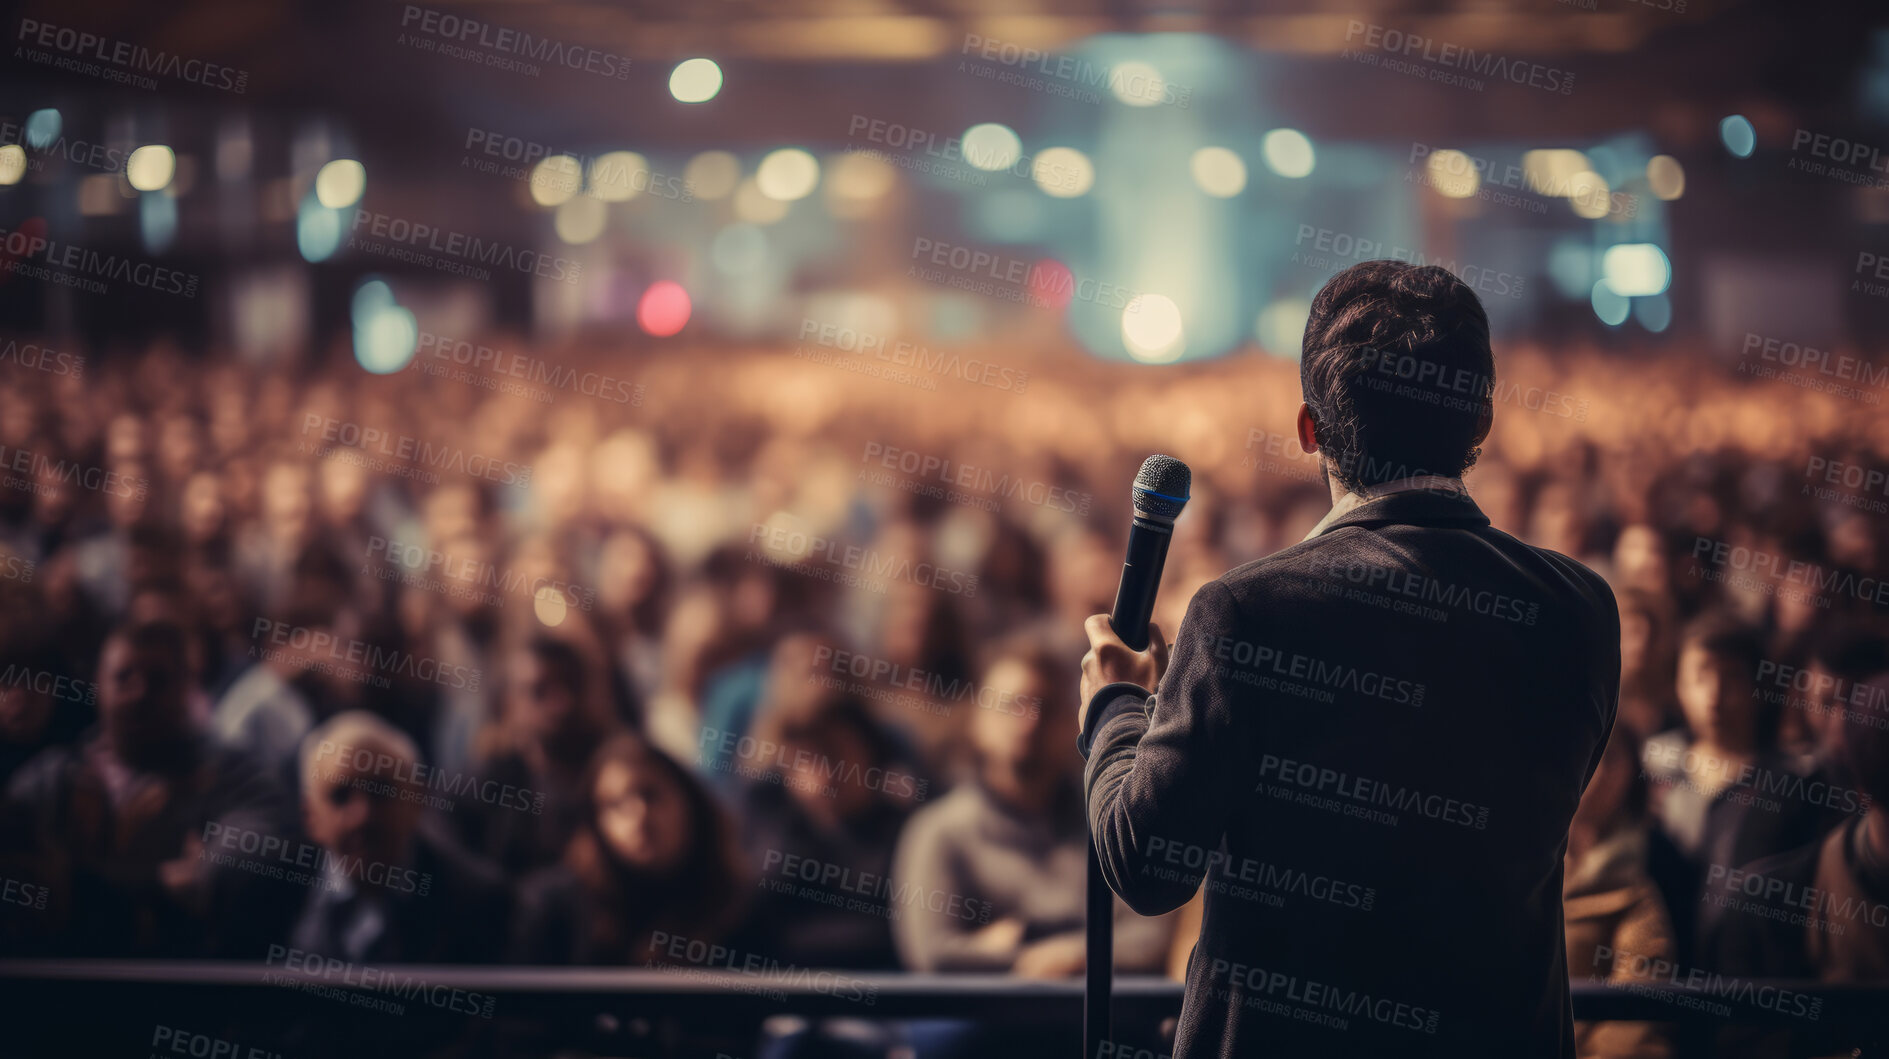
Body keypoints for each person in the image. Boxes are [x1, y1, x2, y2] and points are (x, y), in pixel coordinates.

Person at [1079, 260, 1620, 1056]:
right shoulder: (1578, 606)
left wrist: (1114, 708)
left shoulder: (1246, 612)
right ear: (1481, 420)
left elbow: (1146, 865)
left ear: (1309, 428)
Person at [1, 619, 294, 955]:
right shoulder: (49, 779)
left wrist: (74, 876)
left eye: (158, 680)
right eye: (124, 677)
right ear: (98, 682)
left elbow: (235, 873)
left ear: (188, 686)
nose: (139, 692)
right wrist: (151, 881)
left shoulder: (237, 776)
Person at [893, 634, 1174, 976]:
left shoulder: (1108, 818)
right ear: (977, 720)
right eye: (1013, 704)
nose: (1030, 722)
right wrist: (1068, 955)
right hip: (983, 1022)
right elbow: (932, 954)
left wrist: (1061, 954)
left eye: (1046, 706)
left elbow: (1151, 939)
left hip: (1094, 1020)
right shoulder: (938, 830)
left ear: (1074, 720)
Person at [288, 711, 510, 964]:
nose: (362, 816)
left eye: (381, 792)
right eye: (341, 796)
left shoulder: (480, 906)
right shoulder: (272, 894)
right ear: (310, 815)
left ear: (418, 799)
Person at [511, 733, 748, 965]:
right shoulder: (556, 909)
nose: (639, 816)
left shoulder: (737, 904)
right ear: (595, 823)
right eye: (615, 804)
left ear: (690, 802)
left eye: (650, 794)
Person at [1563, 729, 1676, 1059]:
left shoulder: (1635, 889)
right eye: (1584, 753)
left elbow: (1635, 1010)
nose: (1594, 770)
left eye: (1609, 757)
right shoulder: (1520, 867)